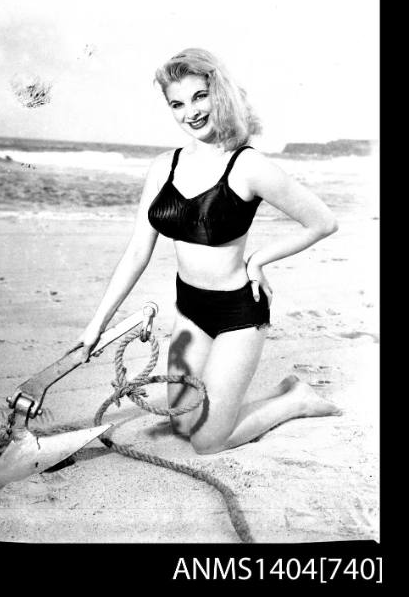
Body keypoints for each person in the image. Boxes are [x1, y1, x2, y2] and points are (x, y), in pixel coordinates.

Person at [74, 47, 341, 455]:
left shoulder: (248, 165)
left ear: (220, 94)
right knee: (183, 424)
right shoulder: (164, 165)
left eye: (200, 96)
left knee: (207, 442)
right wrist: (96, 325)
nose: (191, 112)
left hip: (238, 314)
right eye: (177, 103)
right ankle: (266, 398)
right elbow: (136, 254)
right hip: (189, 310)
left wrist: (258, 259)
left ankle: (295, 400)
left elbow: (322, 222)